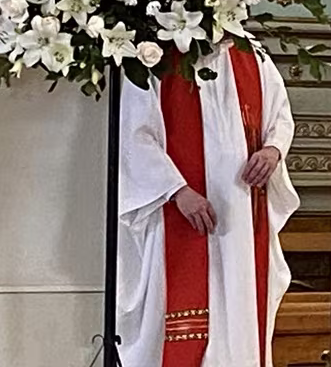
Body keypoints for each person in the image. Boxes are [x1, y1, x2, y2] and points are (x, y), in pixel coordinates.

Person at [117, 43, 300, 367]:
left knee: (242, 310)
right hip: (179, 214)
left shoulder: (252, 54)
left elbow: (280, 115)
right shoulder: (155, 55)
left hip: (244, 217)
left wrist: (273, 150)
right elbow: (135, 134)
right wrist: (177, 191)